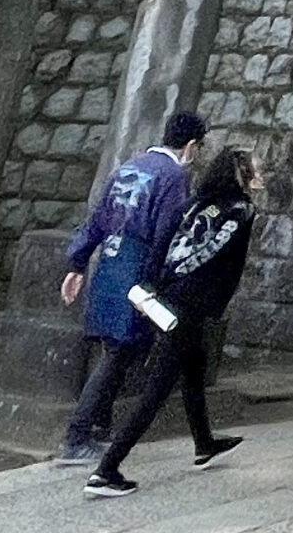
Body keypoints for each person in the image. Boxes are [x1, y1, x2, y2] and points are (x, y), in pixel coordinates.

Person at [85, 147, 261, 499]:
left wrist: (151, 286)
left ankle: (204, 442)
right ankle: (107, 469)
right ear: (241, 175)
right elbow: (229, 270)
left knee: (193, 368)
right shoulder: (240, 211)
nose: (261, 177)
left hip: (162, 299)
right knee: (156, 391)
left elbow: (162, 241)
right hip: (190, 308)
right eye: (256, 171)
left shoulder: (193, 204)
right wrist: (214, 309)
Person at [57, 110, 205, 463]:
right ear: (191, 145)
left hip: (109, 260)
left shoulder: (130, 165)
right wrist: (166, 280)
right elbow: (166, 233)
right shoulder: (173, 177)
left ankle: (99, 428)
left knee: (112, 348)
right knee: (119, 352)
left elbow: (98, 218)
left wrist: (77, 263)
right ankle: (77, 435)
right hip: (138, 266)